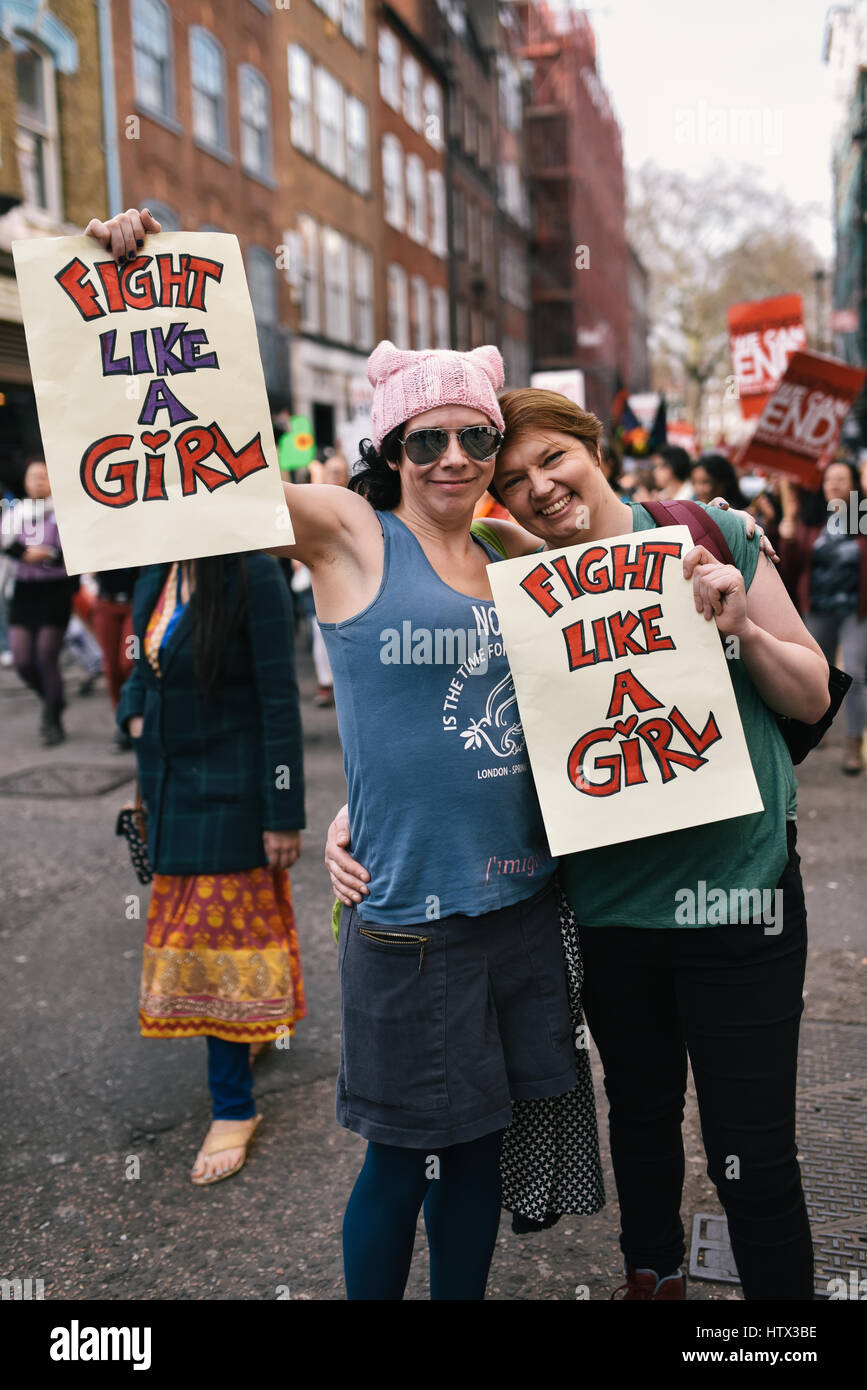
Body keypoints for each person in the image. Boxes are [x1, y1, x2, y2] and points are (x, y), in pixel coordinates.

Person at [327, 388, 829, 1301]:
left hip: (739, 897)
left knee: (748, 1151)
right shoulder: (515, 586)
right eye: (512, 481)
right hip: (610, 911)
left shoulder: (708, 533)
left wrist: (740, 624)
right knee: (637, 1119)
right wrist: (356, 808)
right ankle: (654, 1276)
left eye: (551, 459)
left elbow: (809, 696)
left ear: (593, 449)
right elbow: (462, 734)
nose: (539, 488)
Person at [778, 460, 867, 775]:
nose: (833, 485)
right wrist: (787, 534)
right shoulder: (811, 517)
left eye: (841, 479)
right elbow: (789, 570)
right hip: (817, 607)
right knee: (818, 673)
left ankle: (854, 743)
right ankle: (815, 731)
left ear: (854, 484)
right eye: (829, 479)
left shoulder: (861, 515)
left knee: (855, 673)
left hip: (855, 609)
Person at [2, 458, 76, 745]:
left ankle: (51, 718)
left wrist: (46, 554)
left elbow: (71, 552)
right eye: (33, 477)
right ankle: (52, 699)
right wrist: (24, 554)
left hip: (55, 589)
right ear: (25, 481)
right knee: (22, 660)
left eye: (43, 477)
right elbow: (5, 543)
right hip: (24, 590)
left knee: (46, 655)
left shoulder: (64, 512)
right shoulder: (15, 512)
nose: (38, 482)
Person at [91, 567, 139, 748]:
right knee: (111, 668)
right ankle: (123, 719)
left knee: (129, 662)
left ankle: (136, 711)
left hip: (134, 602)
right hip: (106, 601)